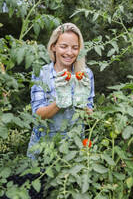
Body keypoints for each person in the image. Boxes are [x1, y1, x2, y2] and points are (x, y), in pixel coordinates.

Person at [27, 23, 95, 159]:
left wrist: (81, 102)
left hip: (74, 149)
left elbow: (90, 119)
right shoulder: (41, 73)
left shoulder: (85, 74)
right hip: (43, 148)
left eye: (75, 48)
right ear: (53, 47)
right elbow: (37, 115)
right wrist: (60, 101)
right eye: (64, 46)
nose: (69, 52)